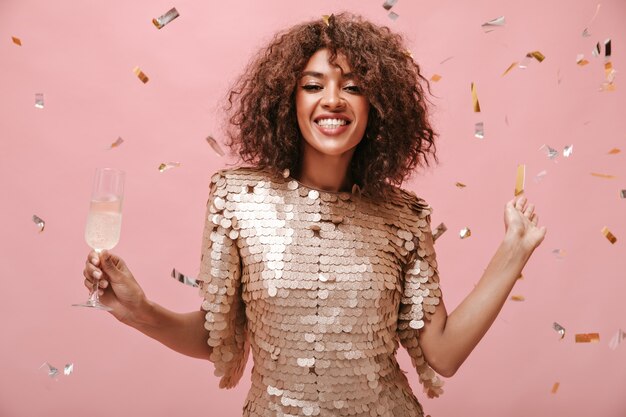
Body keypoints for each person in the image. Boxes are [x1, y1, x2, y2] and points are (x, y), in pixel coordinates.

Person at [82, 13, 546, 417]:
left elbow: (442, 354)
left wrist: (514, 250)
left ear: (377, 107)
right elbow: (216, 340)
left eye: (353, 87)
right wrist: (138, 310)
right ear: (289, 100)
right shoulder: (237, 197)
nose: (333, 100)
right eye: (313, 85)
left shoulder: (404, 217)